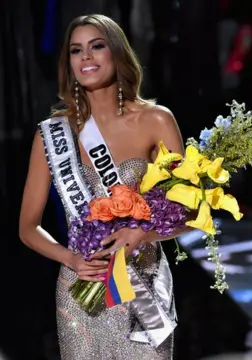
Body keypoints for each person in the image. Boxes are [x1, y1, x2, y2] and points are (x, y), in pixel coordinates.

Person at [19, 14, 184, 359]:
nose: (86, 57)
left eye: (97, 46)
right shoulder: (51, 134)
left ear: (118, 53)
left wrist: (143, 234)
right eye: (76, 51)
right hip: (81, 291)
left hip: (143, 290)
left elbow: (187, 209)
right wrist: (71, 259)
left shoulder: (156, 120)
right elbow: (28, 227)